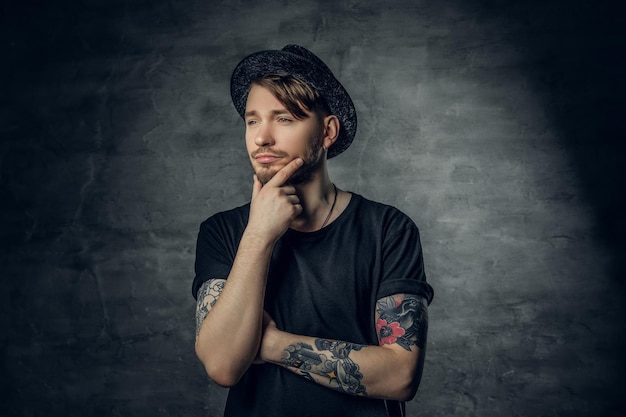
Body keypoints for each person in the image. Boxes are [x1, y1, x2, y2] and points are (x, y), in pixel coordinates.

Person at [192, 44, 434, 417]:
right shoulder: (222, 231)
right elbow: (223, 365)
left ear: (327, 131)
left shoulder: (388, 229)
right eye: (252, 120)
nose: (261, 138)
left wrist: (271, 344)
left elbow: (401, 376)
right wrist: (258, 235)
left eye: (284, 118)